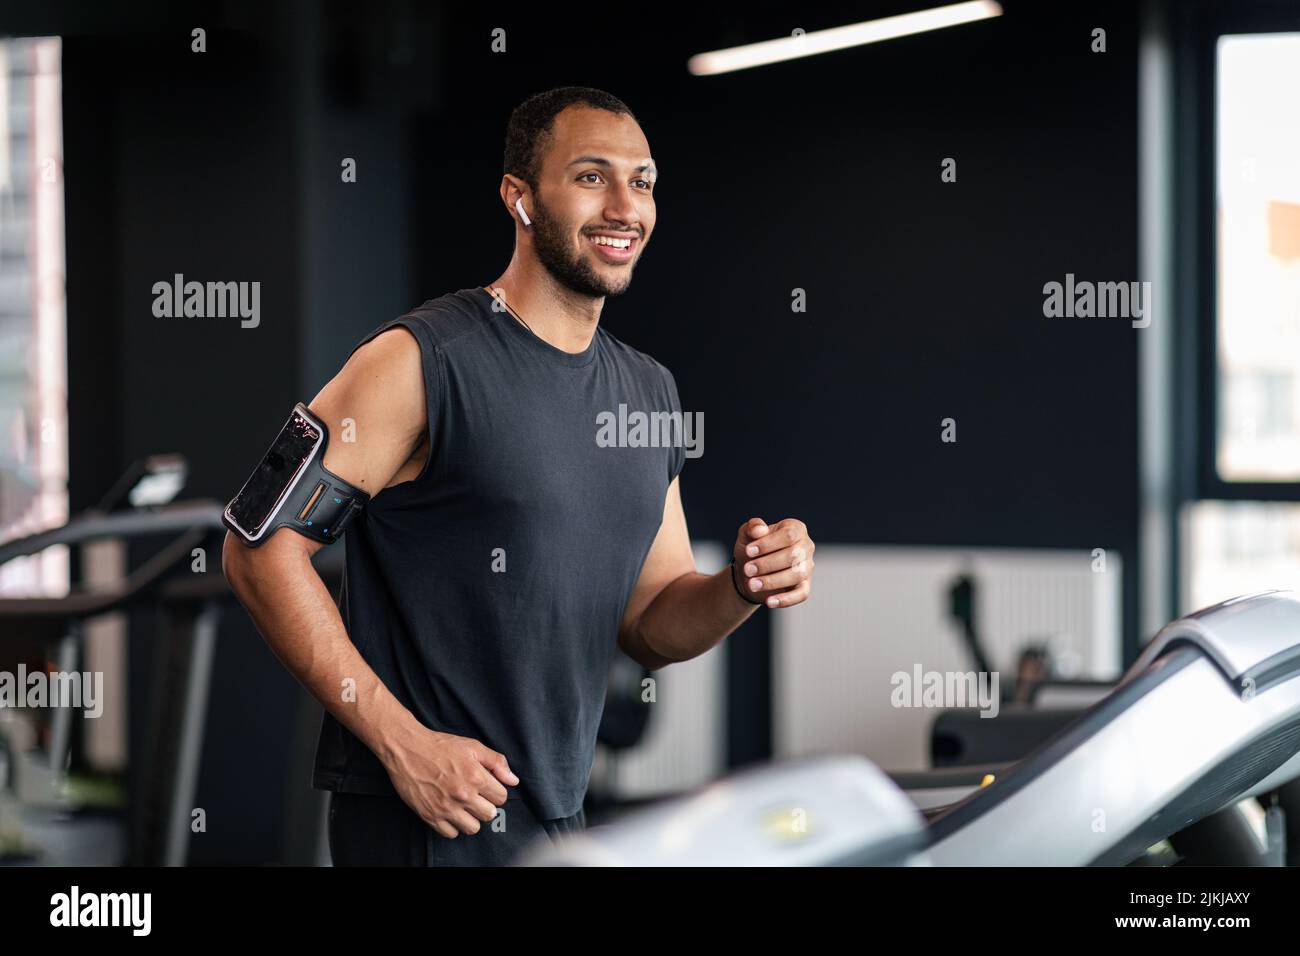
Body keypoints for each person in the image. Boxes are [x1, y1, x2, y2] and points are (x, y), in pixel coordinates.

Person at [222, 86, 817, 866]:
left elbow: (653, 624)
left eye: (642, 182)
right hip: (427, 819)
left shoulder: (649, 393)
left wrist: (741, 586)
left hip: (557, 811)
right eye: (591, 177)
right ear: (520, 197)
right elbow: (257, 546)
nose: (624, 206)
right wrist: (404, 746)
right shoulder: (420, 361)